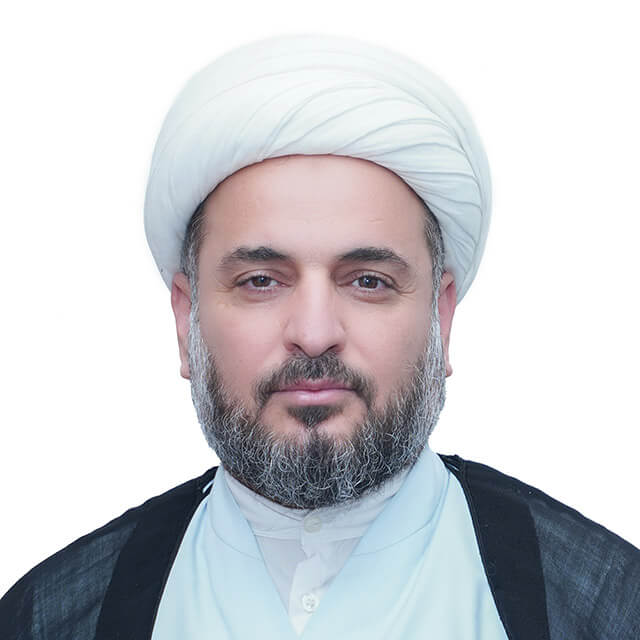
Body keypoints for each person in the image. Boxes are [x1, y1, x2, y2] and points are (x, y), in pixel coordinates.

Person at [1, 33, 638, 640]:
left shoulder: (608, 606)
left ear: (441, 317)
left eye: (367, 281)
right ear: (185, 319)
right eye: (260, 281)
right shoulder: (49, 616)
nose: (313, 334)